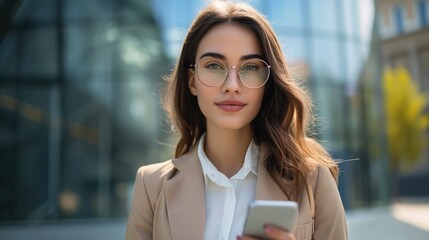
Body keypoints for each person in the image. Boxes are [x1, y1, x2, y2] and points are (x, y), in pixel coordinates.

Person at [125, 1, 347, 240]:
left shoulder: (313, 179)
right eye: (214, 65)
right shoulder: (151, 187)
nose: (232, 86)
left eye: (250, 67)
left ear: (268, 82)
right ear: (192, 81)